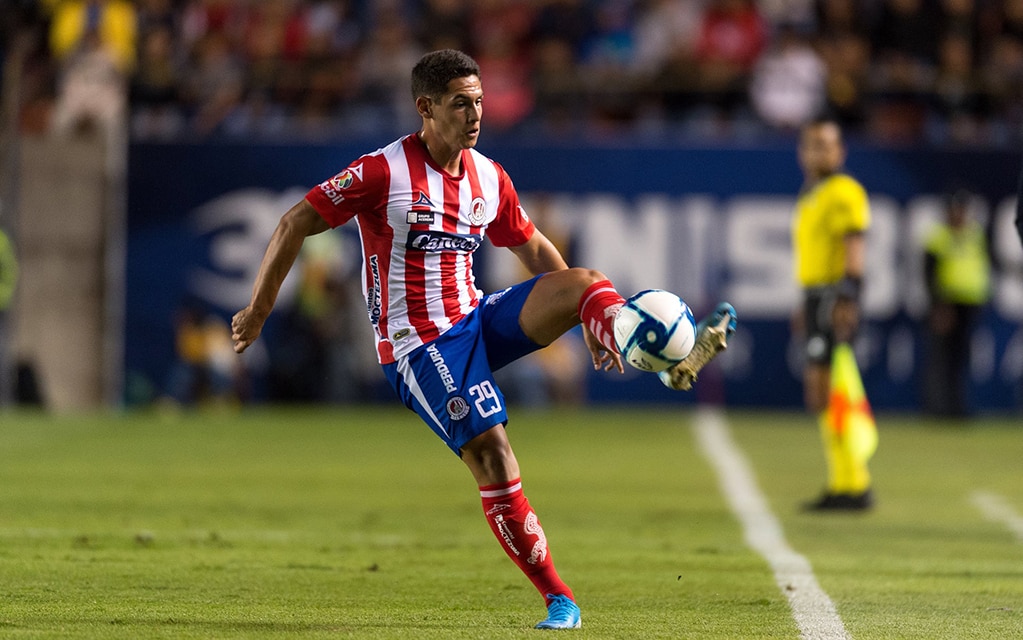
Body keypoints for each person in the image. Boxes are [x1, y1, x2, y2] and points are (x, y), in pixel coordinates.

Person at [231, 49, 736, 630]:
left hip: (475, 319)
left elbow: (536, 252)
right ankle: (559, 598)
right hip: (419, 347)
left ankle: (647, 349)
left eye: (479, 101)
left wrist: (593, 322)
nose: (475, 114)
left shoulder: (488, 176)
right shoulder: (382, 172)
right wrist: (260, 308)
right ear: (426, 107)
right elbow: (297, 220)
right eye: (460, 103)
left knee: (587, 284)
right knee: (493, 454)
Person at [791, 116, 875, 511]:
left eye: (827, 144)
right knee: (822, 392)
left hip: (832, 295)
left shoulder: (843, 191)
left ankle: (854, 483)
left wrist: (846, 299)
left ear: (840, 151)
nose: (819, 152)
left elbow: (853, 247)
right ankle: (844, 481)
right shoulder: (813, 194)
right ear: (801, 152)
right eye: (812, 144)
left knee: (833, 388)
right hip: (815, 295)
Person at [922, 189, 990, 417]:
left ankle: (958, 408)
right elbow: (929, 274)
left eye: (961, 209)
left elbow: (984, 267)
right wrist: (938, 306)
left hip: (970, 304)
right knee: (942, 359)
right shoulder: (939, 236)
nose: (958, 214)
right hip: (947, 304)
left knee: (962, 358)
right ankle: (938, 409)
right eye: (954, 209)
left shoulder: (976, 234)